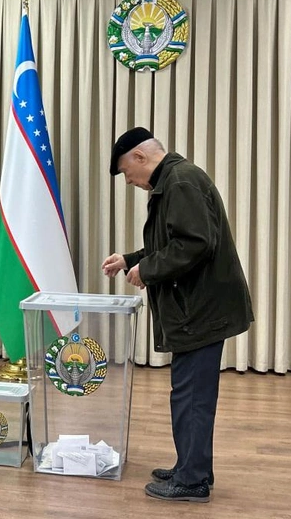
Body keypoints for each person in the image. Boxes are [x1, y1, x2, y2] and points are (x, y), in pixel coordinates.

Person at [101, 127, 254, 503]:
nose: (131, 182)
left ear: (139, 157)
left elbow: (195, 244)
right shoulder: (174, 179)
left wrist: (149, 270)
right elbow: (171, 241)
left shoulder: (180, 182)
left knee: (193, 395)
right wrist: (132, 260)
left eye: (127, 173)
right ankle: (192, 465)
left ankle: (192, 480)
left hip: (202, 311)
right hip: (198, 310)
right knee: (188, 393)